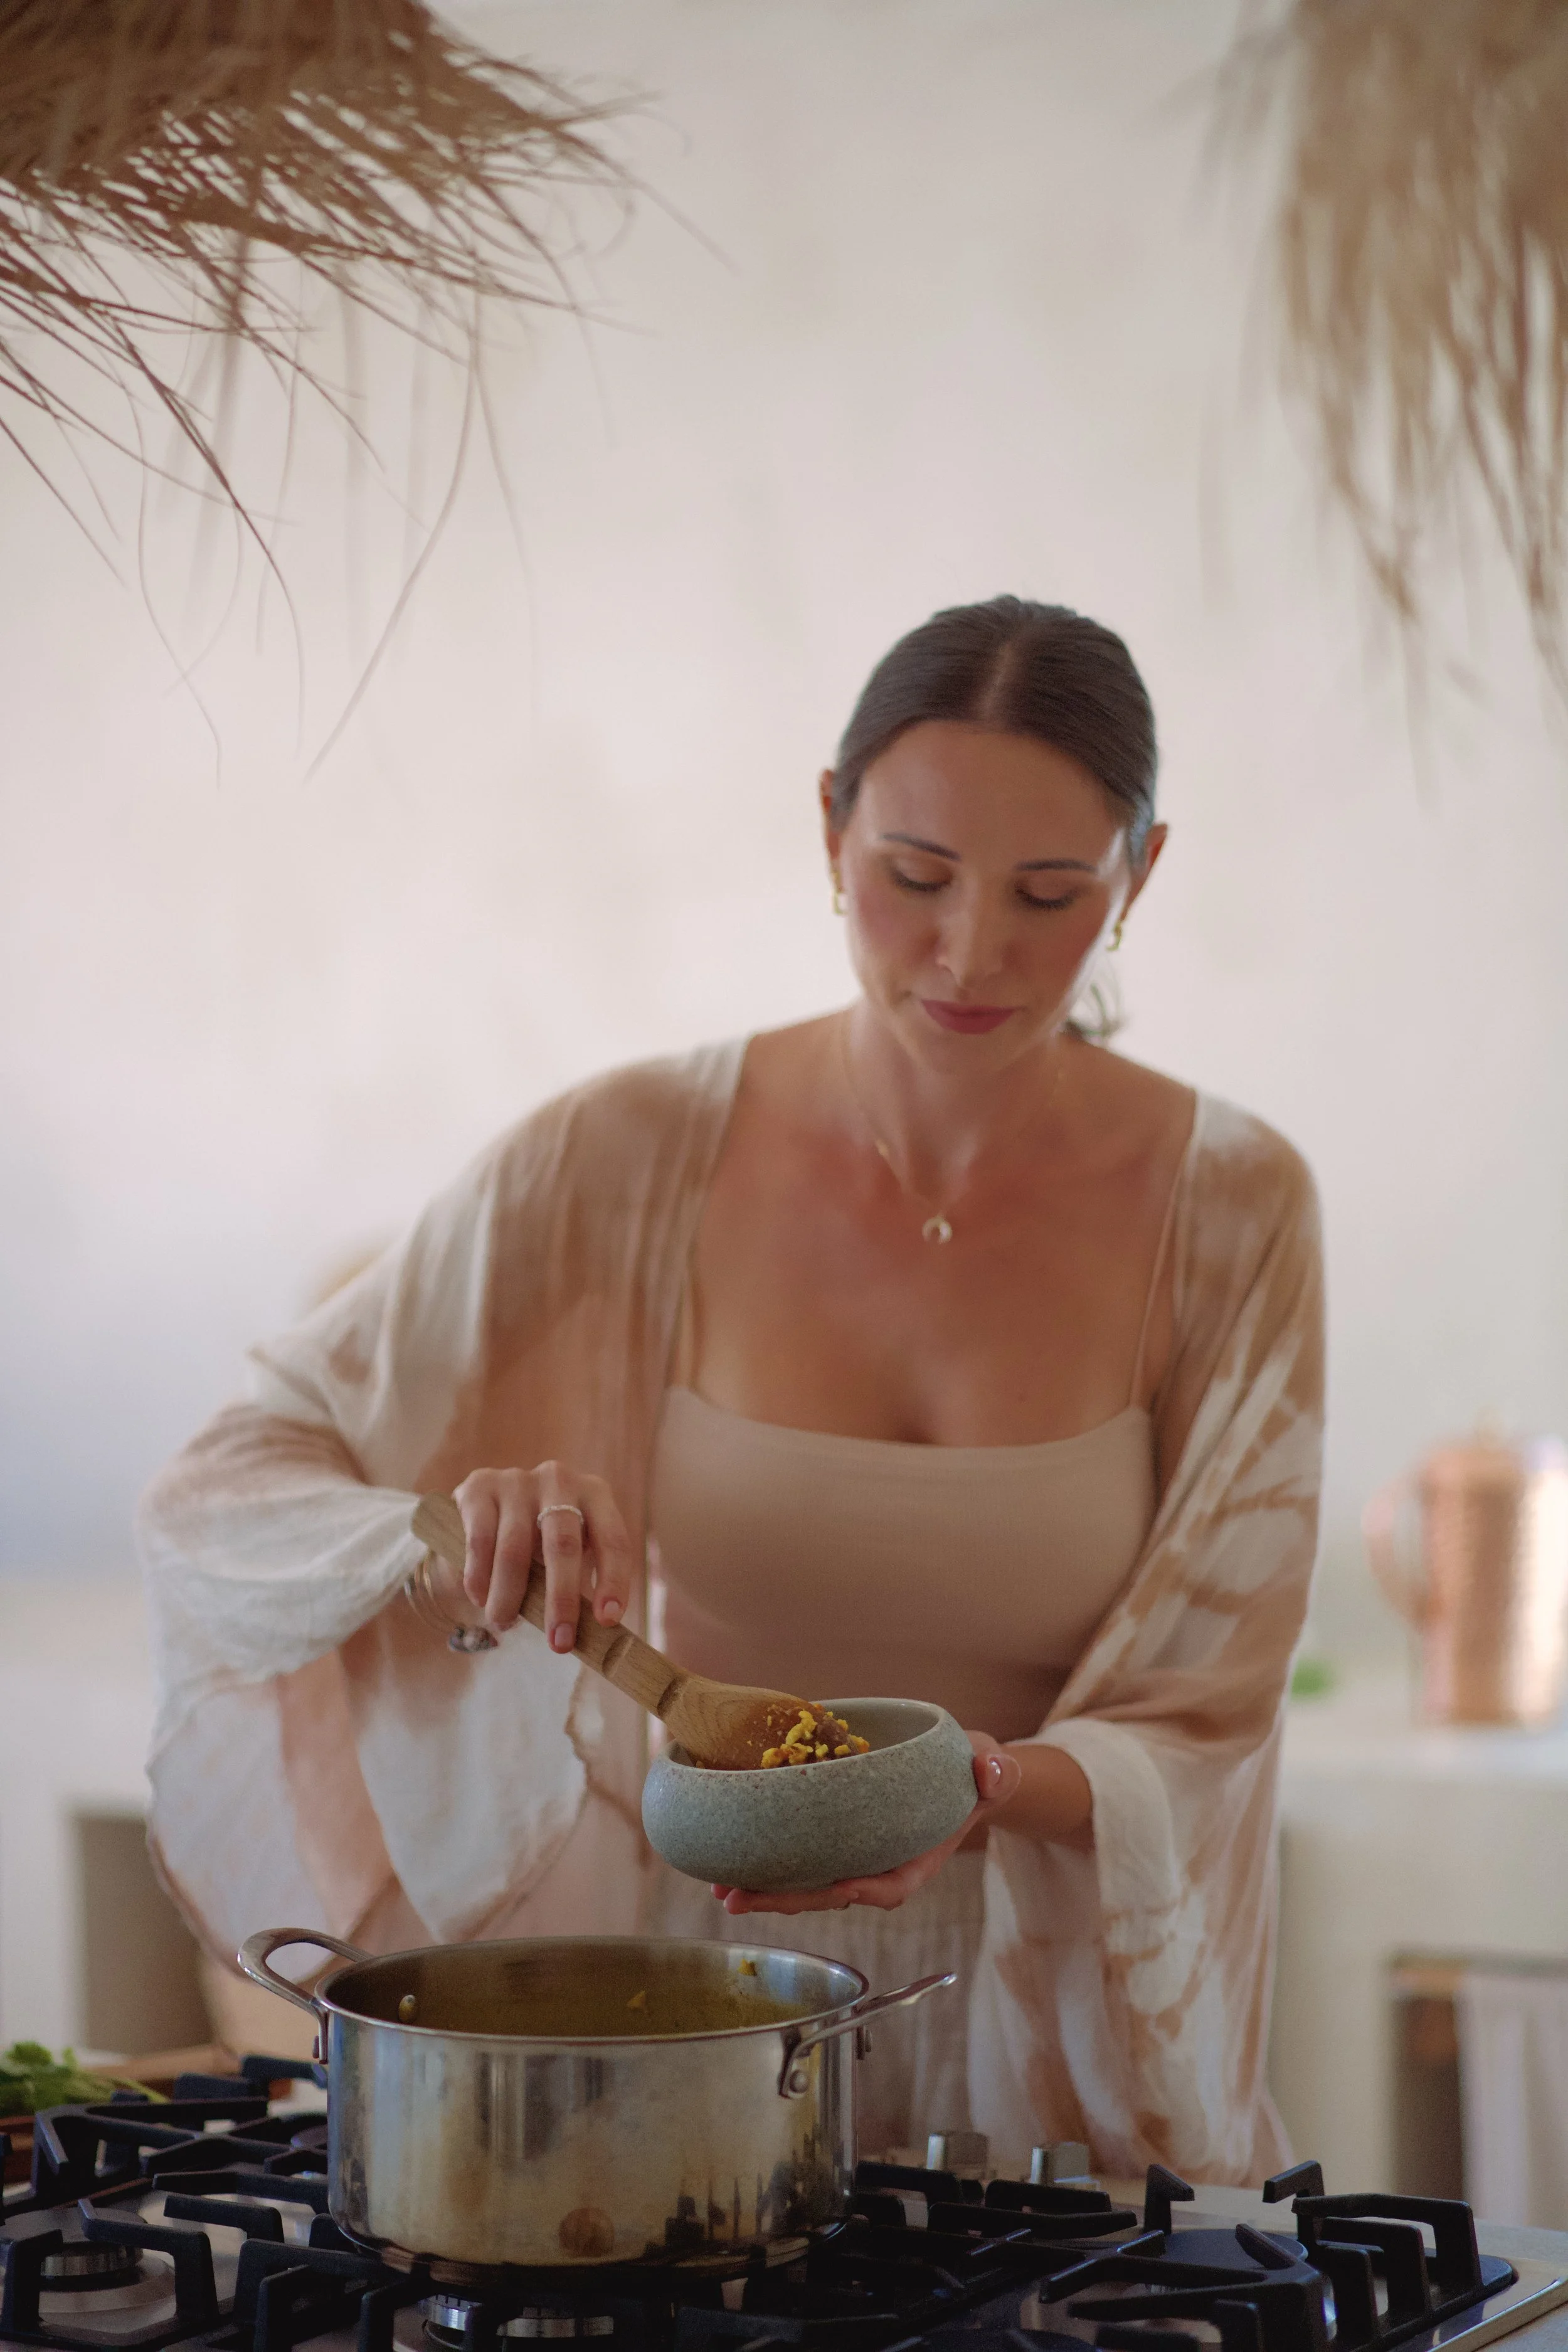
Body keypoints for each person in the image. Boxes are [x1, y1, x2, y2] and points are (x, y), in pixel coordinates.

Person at [139, 596, 1323, 2180]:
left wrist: (973, 1791)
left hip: (1059, 2060)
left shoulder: (1234, 1205)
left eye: (1049, 894)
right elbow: (228, 1489)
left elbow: (1212, 1707)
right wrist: (441, 1541)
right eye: (914, 877)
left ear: (1140, 874)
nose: (970, 951)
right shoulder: (618, 1158)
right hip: (689, 2025)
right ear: (829, 829)